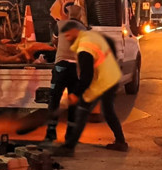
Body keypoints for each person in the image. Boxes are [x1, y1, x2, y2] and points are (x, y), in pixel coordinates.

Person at [52, 23, 128, 157]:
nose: (67, 39)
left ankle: (69, 147)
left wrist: (76, 94)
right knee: (108, 111)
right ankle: (121, 141)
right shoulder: (89, 37)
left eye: (68, 35)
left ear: (75, 31)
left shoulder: (85, 48)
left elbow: (87, 76)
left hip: (103, 81)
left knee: (82, 110)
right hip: (110, 77)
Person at [43, 4, 87, 144]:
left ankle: (51, 133)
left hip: (60, 67)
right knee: (73, 103)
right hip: (75, 69)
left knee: (54, 100)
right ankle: (70, 136)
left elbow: (53, 41)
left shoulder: (60, 24)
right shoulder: (84, 29)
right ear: (80, 16)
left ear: (68, 14)